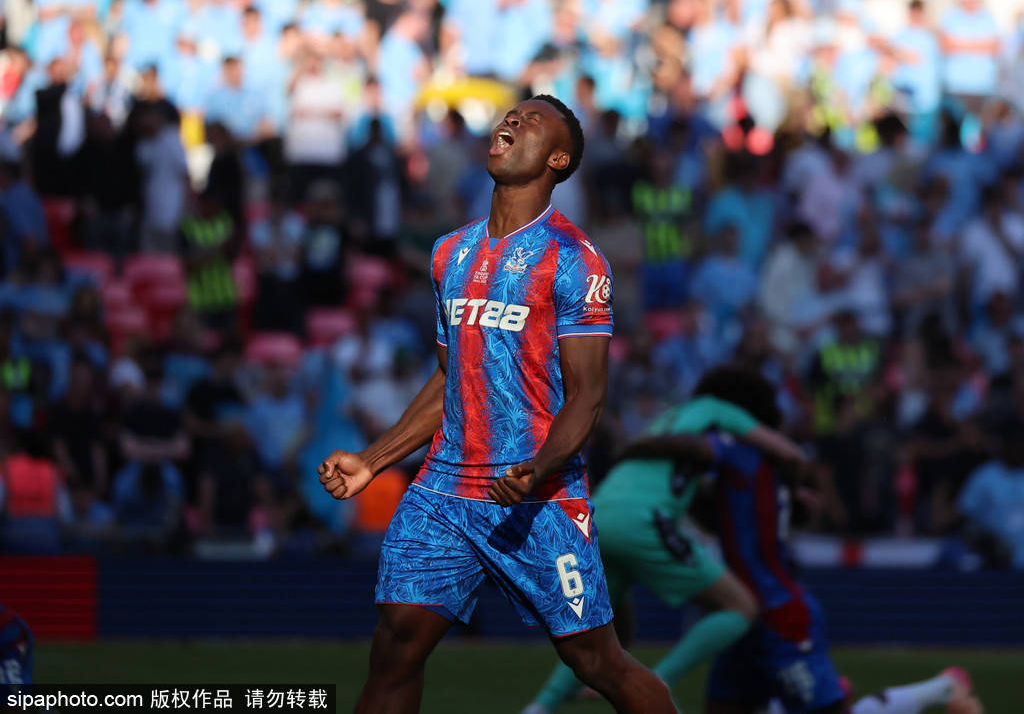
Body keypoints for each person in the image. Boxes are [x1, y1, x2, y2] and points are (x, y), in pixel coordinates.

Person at [317, 95, 675, 714]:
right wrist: (373, 461)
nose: (511, 120)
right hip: (444, 490)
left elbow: (588, 397)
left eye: (532, 120)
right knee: (397, 644)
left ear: (558, 159)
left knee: (596, 662)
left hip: (536, 495)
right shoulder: (448, 253)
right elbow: (451, 379)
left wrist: (539, 467)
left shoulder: (575, 259)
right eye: (511, 114)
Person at [623, 368, 981, 714]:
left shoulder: (735, 450)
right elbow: (729, 516)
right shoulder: (762, 463)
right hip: (744, 612)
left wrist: (641, 442)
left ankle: (941, 688)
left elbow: (692, 447)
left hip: (778, 614)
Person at [523, 366, 808, 714]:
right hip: (643, 519)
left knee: (602, 636)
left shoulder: (672, 417)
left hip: (598, 515)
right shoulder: (721, 410)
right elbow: (790, 454)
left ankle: (540, 706)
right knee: (740, 607)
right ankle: (658, 682)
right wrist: (791, 491)